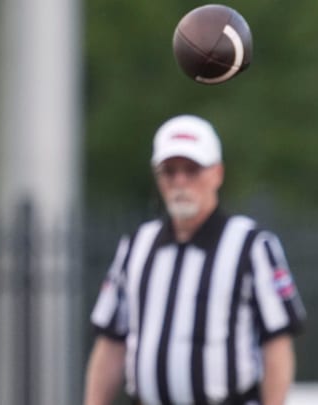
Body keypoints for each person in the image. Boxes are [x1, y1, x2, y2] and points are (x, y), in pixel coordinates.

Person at [84, 114, 306, 405]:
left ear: (216, 173)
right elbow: (111, 340)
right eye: (169, 171)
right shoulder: (137, 244)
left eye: (192, 170)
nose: (180, 181)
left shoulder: (251, 245)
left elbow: (276, 342)